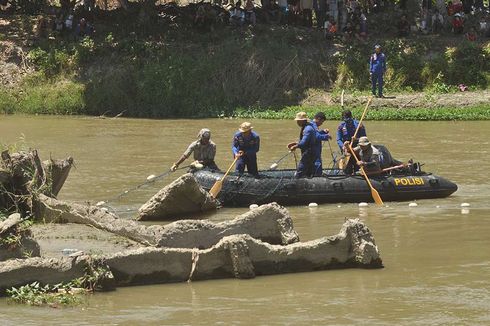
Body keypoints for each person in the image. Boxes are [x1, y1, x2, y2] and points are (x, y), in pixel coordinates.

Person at [287, 112, 318, 178]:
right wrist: (296, 143)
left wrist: (295, 146)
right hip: (310, 151)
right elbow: (305, 140)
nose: (297, 122)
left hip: (309, 152)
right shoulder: (307, 127)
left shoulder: (307, 129)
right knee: (308, 169)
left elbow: (303, 142)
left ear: (303, 121)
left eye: (298, 121)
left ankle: (297, 180)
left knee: (301, 168)